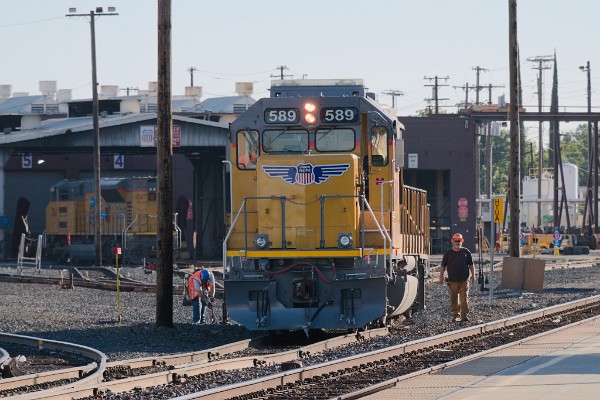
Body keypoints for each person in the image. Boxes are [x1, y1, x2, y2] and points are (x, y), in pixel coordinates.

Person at [439, 233, 475, 322]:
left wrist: (473, 275)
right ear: (452, 241)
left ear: (461, 241)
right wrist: (441, 276)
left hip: (464, 280)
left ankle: (464, 315)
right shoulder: (448, 253)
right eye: (456, 241)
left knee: (464, 298)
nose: (457, 242)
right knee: (454, 298)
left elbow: (471, 265)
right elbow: (443, 266)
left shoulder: (466, 252)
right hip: (452, 280)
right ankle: (456, 315)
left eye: (459, 241)